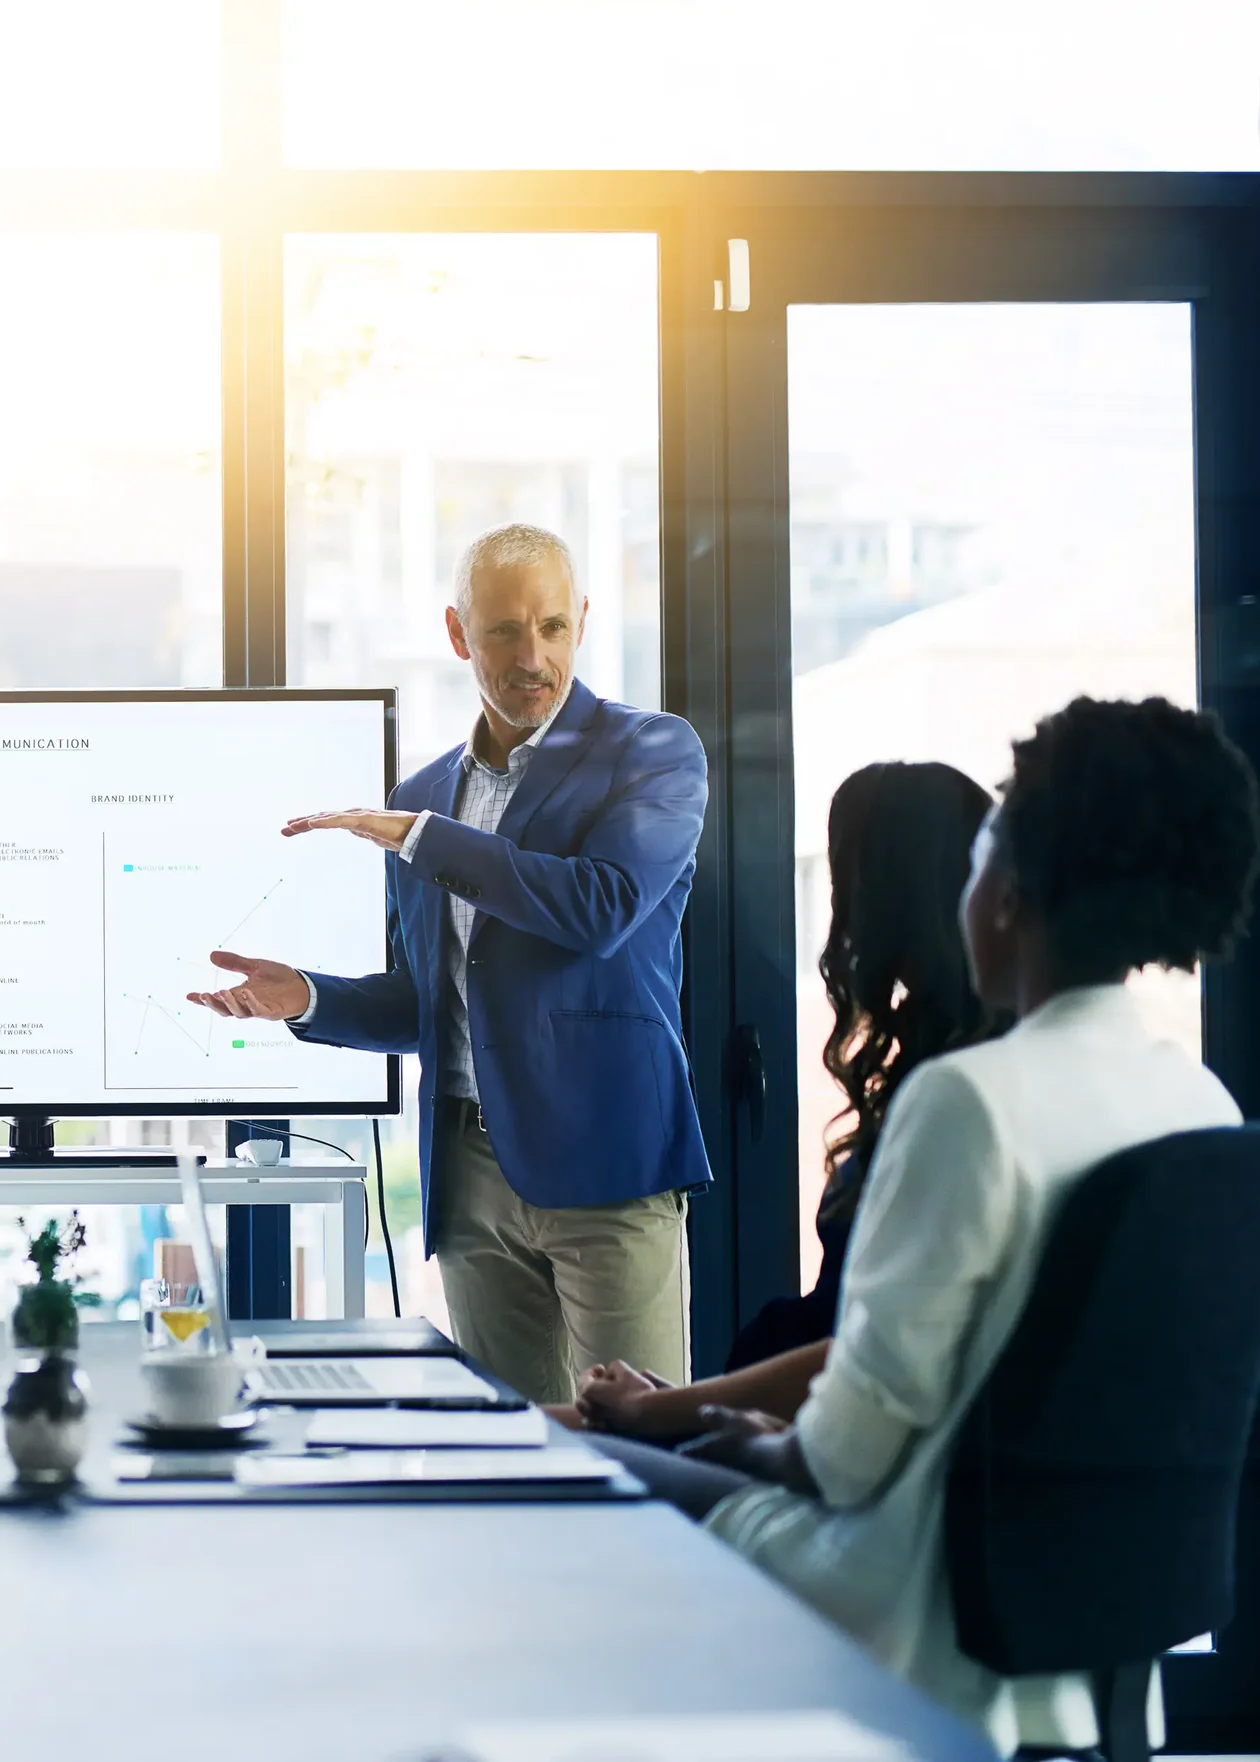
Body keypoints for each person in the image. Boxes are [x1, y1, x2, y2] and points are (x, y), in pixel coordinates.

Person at [592, 696, 1258, 1755]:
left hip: (912, 1594)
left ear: (1013, 895)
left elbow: (846, 1468)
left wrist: (737, 1435)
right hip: (1073, 1612)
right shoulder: (1196, 1103)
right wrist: (786, 1437)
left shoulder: (969, 1102)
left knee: (583, 1477)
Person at [189, 523, 710, 1406]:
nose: (532, 655)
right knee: (509, 1453)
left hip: (608, 1165)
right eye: (504, 630)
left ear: (581, 621)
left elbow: (601, 907)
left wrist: (426, 842)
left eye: (552, 626)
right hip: (467, 1174)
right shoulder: (423, 796)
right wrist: (308, 997)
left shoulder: (651, 753)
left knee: (641, 1444)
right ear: (459, 634)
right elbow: (428, 1000)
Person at [571, 761, 1003, 1439]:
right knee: (551, 1430)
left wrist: (657, 1412)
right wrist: (684, 1407)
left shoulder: (956, 1098)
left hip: (820, 1462)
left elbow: (862, 1363)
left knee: (554, 1445)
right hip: (792, 1430)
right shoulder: (962, 1065)